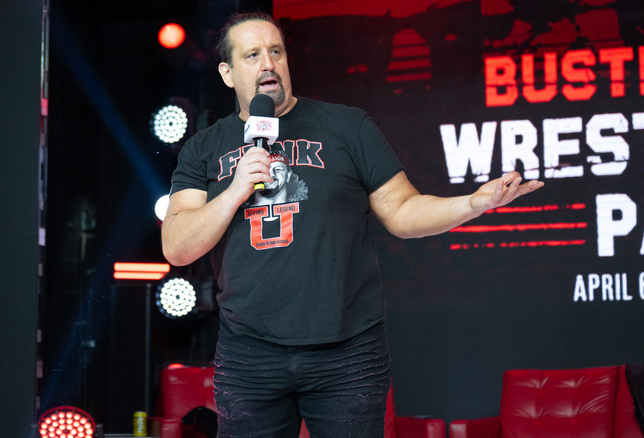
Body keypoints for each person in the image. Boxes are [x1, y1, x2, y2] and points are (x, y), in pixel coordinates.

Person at [161, 11, 544, 438]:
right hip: (249, 353)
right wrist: (234, 191)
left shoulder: (347, 126)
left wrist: (472, 204)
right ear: (228, 73)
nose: (268, 63)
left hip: (347, 353)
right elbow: (178, 246)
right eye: (252, 55)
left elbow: (402, 211)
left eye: (276, 51)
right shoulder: (204, 149)